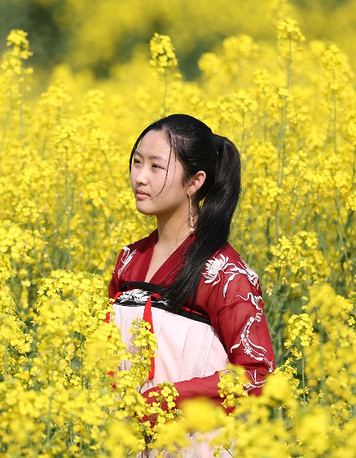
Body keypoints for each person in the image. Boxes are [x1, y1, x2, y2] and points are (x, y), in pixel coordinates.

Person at [108, 114, 276, 449]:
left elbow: (257, 375)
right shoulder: (128, 260)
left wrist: (168, 399)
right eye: (137, 162)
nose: (140, 177)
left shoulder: (224, 273)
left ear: (194, 182)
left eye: (156, 167)